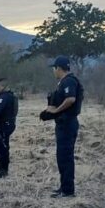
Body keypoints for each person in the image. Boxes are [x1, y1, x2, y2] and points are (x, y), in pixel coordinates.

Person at [41, 56, 83, 198]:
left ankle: (68, 191)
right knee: (62, 156)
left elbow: (71, 99)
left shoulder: (68, 81)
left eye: (54, 68)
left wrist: (56, 111)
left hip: (67, 124)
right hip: (63, 123)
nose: (53, 71)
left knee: (65, 157)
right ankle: (64, 187)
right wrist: (49, 111)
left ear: (58, 68)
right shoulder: (63, 82)